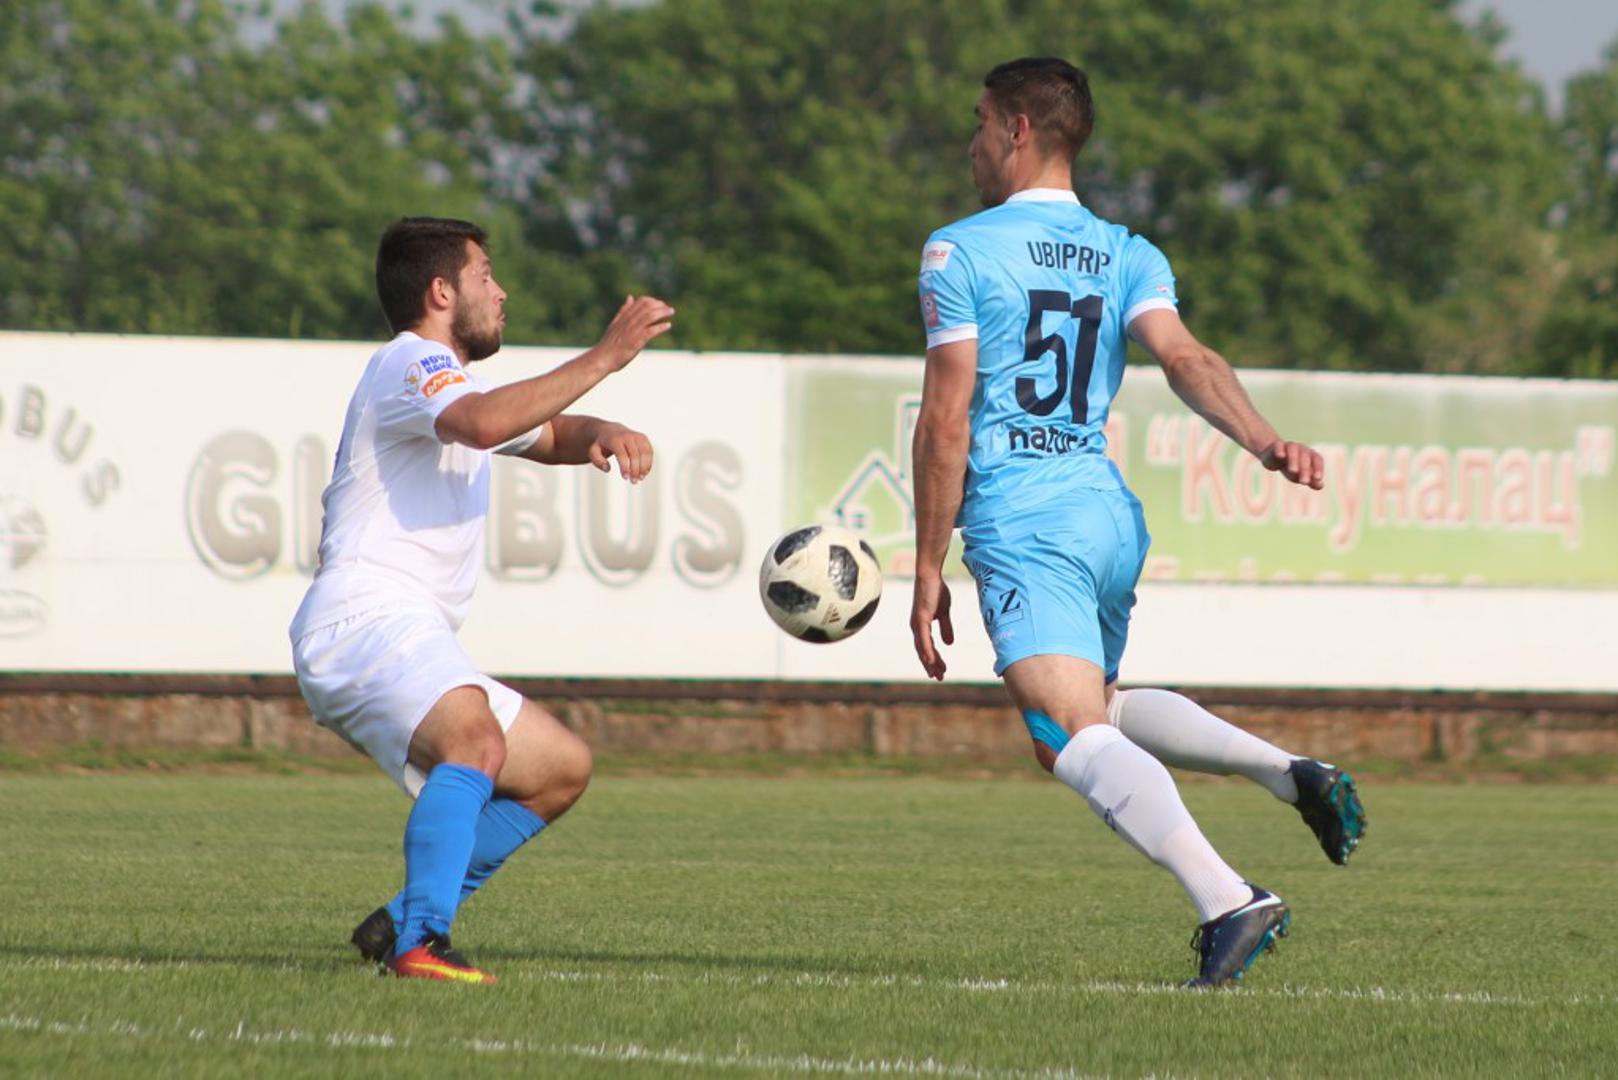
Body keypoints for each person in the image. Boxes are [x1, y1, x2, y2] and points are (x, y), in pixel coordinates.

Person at [909, 59, 1366, 988]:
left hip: (1026, 518)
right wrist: (1263, 439)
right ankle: (1290, 773)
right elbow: (1186, 358)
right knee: (1093, 715)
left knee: (1070, 730)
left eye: (980, 122)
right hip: (1106, 518)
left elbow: (946, 421)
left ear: (1018, 130)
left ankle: (1229, 900)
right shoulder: (1127, 251)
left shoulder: (958, 251)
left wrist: (925, 564)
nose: (971, 143)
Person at [289, 216, 674, 984]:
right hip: (364, 616)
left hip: (398, 627)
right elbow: (486, 422)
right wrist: (605, 356)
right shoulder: (412, 361)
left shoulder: (443, 386)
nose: (501, 292)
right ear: (441, 291)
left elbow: (543, 433)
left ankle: (403, 917)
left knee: (560, 768)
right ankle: (422, 941)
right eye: (486, 275)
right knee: (475, 742)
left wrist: (601, 430)